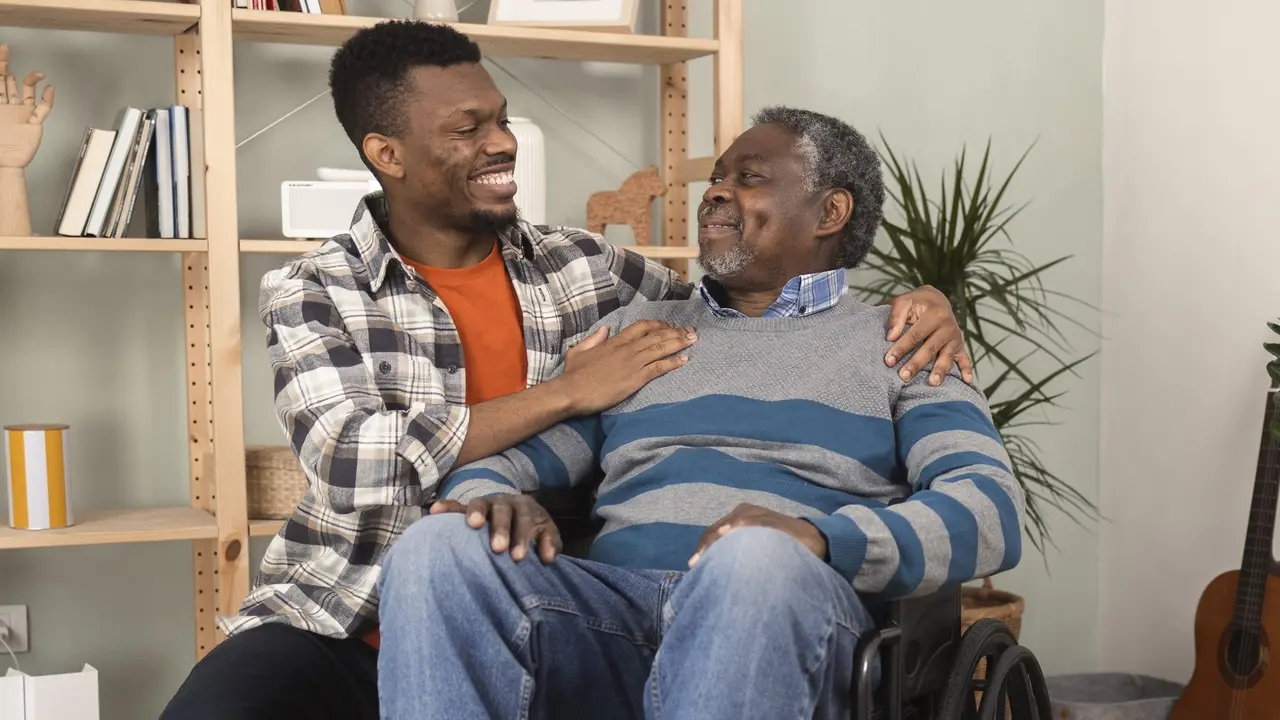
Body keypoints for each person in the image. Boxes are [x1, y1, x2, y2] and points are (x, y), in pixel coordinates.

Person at [159, 20, 972, 720]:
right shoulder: (313, 288)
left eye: (501, 120)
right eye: (467, 129)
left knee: (745, 568)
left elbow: (745, 306)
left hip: (542, 590)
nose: (502, 142)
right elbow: (353, 461)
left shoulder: (587, 269)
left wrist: (922, 301)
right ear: (388, 154)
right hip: (347, 603)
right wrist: (559, 402)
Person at [376, 105, 1023, 720]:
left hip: (791, 615)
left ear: (831, 211)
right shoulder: (641, 331)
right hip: (617, 617)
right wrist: (487, 493)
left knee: (753, 560)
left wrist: (824, 539)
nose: (714, 192)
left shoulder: (904, 341)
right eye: (716, 177)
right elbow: (520, 460)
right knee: (437, 546)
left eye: (748, 179)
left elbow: (989, 510)